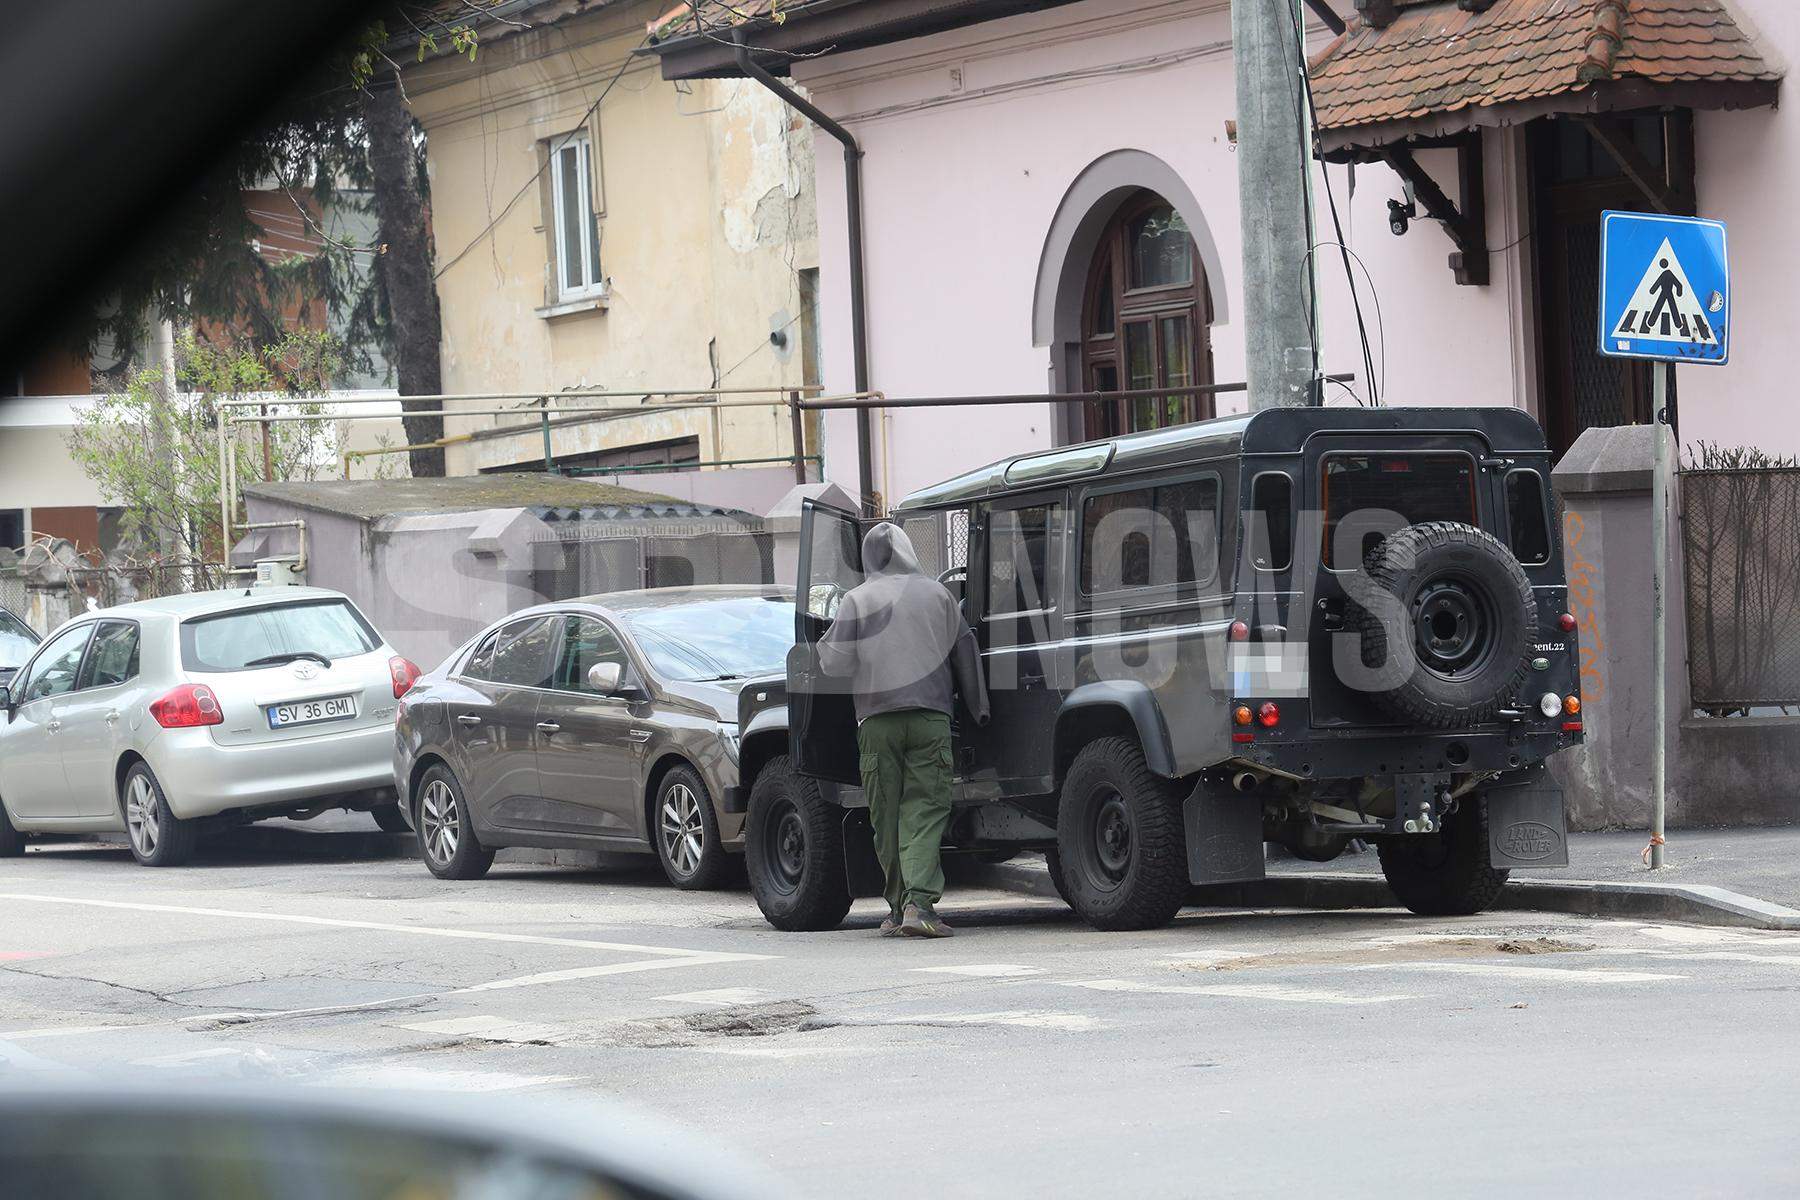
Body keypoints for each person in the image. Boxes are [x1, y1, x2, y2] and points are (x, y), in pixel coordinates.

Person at [817, 522, 989, 938]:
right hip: (930, 718)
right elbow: (966, 652)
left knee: (886, 815)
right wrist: (979, 708)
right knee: (925, 811)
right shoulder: (939, 595)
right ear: (910, 552)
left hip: (876, 722)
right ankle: (918, 905)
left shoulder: (856, 600)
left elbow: (835, 665)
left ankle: (897, 910)